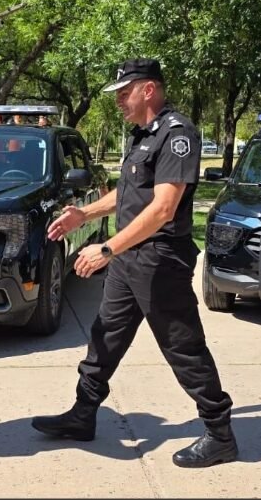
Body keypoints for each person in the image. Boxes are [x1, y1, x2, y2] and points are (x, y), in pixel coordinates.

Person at [31, 58, 238, 468]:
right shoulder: (141, 135)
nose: (119, 102)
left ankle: (220, 434)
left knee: (183, 346)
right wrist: (84, 216)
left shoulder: (177, 135)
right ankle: (83, 414)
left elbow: (163, 209)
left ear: (148, 89)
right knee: (105, 335)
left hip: (159, 261)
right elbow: (129, 194)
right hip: (130, 258)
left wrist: (106, 249)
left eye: (124, 93)